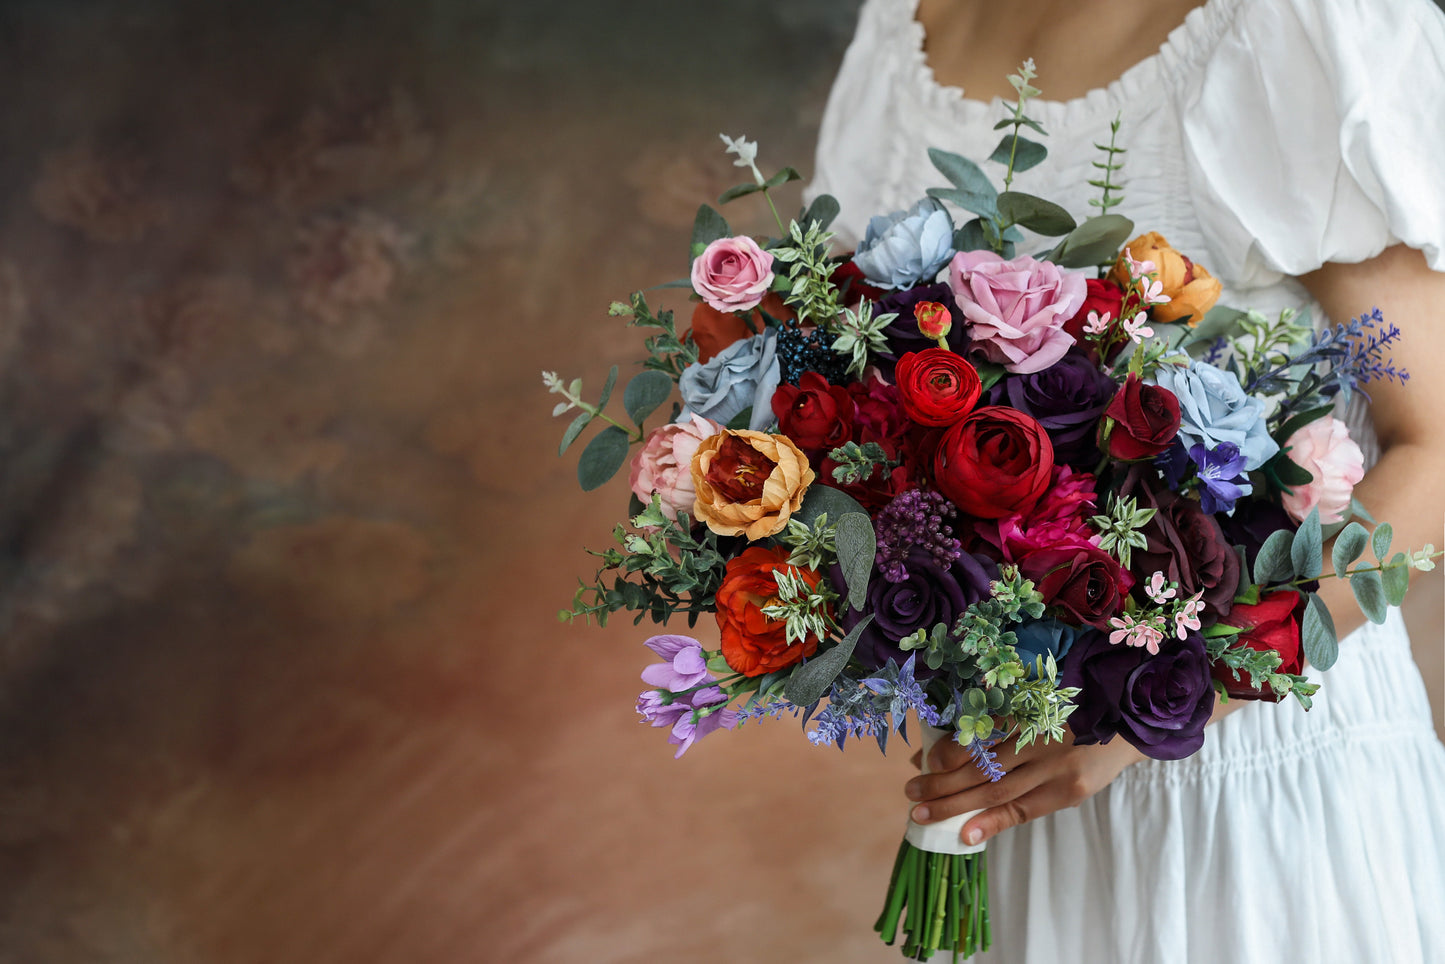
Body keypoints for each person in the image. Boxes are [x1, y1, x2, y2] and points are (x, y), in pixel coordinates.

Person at [805, 0, 1445, 960]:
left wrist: (1156, 711)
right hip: (1021, 782)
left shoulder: (1293, 27)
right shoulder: (900, 30)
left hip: (1256, 781)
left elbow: (1434, 446)